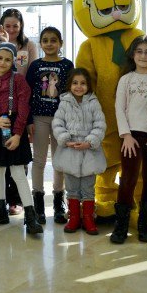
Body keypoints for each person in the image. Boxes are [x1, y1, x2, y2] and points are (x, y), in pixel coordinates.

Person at [0, 42, 42, 234]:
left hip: (14, 129)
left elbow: (23, 108)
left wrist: (18, 134)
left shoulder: (19, 80)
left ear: (13, 61)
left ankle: (30, 216)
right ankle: (0, 211)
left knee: (18, 173)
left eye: (7, 59)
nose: (3, 62)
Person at [111, 35, 147, 244]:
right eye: (139, 51)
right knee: (128, 179)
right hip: (130, 137)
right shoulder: (126, 79)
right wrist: (126, 135)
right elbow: (119, 108)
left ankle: (145, 223)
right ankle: (121, 225)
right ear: (133, 55)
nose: (143, 56)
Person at [0, 8, 39, 215]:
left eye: (15, 26)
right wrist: (1, 42)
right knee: (0, 154)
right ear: (1, 26)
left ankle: (16, 199)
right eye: (7, 26)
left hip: (21, 105)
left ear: (21, 26)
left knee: (18, 155)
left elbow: (33, 73)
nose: (11, 29)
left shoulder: (29, 45)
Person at [26, 26, 73, 224]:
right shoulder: (35, 66)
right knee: (38, 161)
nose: (49, 43)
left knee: (59, 161)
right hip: (39, 117)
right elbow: (26, 94)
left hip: (61, 119)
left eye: (53, 40)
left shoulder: (68, 65)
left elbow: (73, 93)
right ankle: (37, 201)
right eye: (45, 40)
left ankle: (58, 201)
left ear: (60, 43)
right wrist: (28, 120)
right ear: (41, 44)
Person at [52, 68, 106, 235]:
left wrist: (89, 142)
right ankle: (74, 217)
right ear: (70, 85)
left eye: (83, 83)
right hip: (69, 149)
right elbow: (57, 122)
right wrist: (65, 138)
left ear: (88, 86)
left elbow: (100, 124)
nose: (78, 86)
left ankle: (89, 218)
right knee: (72, 187)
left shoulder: (93, 102)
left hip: (89, 150)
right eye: (75, 83)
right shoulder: (64, 102)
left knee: (88, 187)